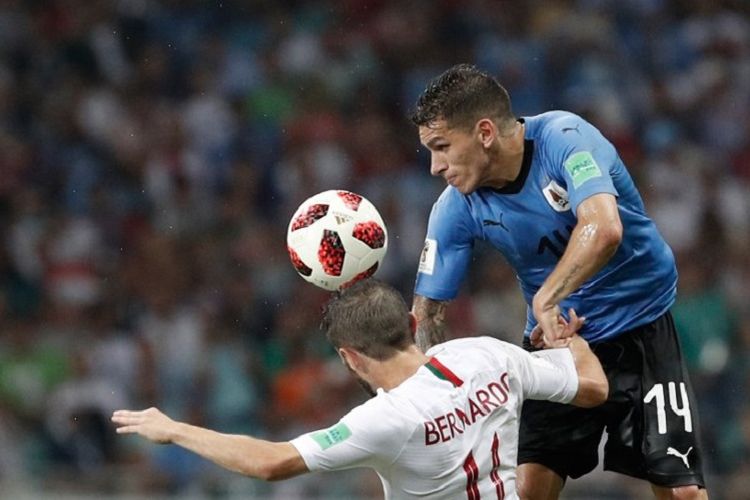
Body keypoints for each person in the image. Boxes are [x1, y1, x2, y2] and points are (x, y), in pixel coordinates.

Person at [410, 63, 709, 499]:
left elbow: (604, 227)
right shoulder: (455, 207)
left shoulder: (565, 139)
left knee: (681, 494)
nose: (436, 167)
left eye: (442, 147)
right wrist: (432, 395)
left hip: (641, 327)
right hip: (557, 347)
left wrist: (545, 300)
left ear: (485, 132)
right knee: (527, 489)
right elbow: (427, 313)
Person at [112, 279, 607, 499]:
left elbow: (271, 462)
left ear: (348, 357)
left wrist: (174, 428)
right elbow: (592, 387)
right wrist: (570, 340)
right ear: (414, 324)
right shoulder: (485, 354)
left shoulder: (386, 419)